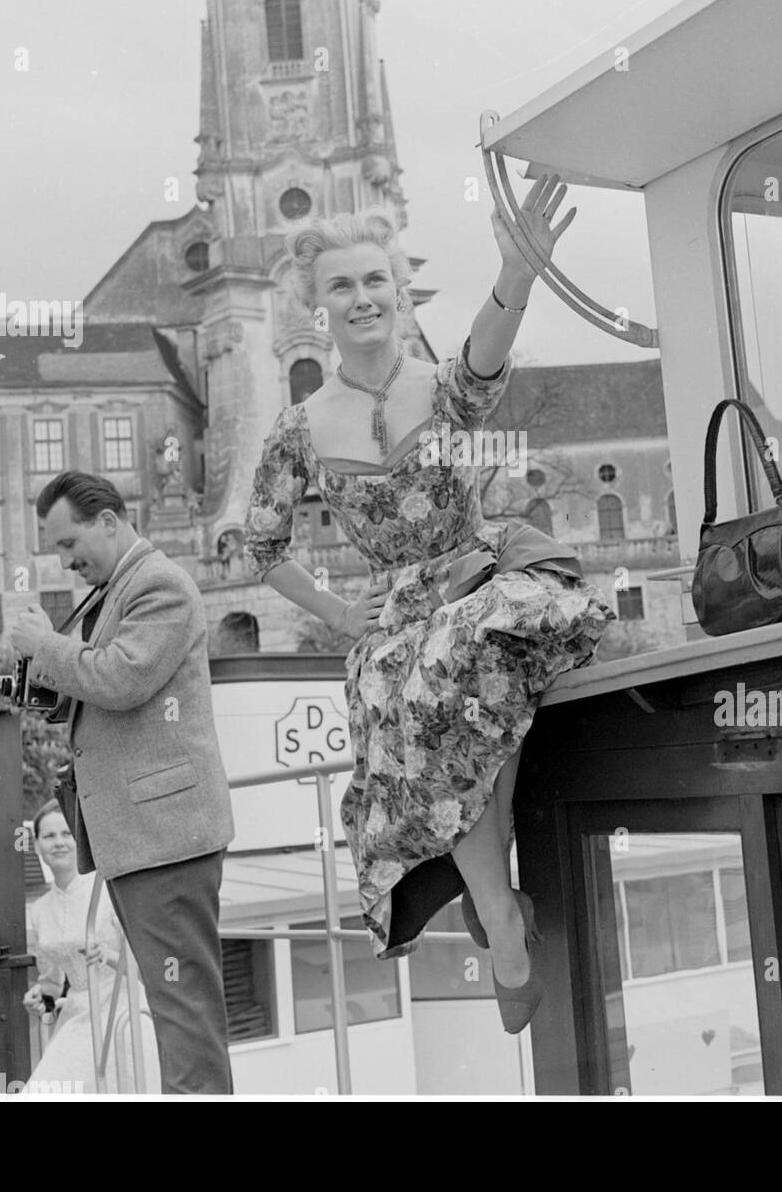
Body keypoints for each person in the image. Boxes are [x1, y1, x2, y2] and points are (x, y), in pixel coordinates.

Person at [244, 179, 614, 1033]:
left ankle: (502, 931)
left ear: (398, 293)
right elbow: (260, 546)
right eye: (342, 285)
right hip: (399, 615)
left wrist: (515, 276)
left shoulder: (442, 388)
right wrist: (340, 616)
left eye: (376, 280)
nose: (363, 297)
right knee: (411, 683)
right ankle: (501, 917)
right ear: (317, 308)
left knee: (458, 660)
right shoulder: (299, 429)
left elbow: (486, 353)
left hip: (481, 576)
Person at [10, 473, 235, 1093]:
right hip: (146, 837)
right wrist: (51, 683)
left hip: (166, 836)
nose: (64, 559)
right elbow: (110, 694)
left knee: (183, 1007)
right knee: (175, 1004)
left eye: (68, 542)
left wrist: (48, 647)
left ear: (108, 520)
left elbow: (124, 678)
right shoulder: (118, 589)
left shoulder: (159, 584)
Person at [23, 799, 161, 1093]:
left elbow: (146, 964)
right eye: (48, 836)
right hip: (77, 1018)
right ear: (37, 846)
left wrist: (109, 956)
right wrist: (39, 997)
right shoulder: (39, 910)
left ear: (80, 842)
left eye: (66, 834)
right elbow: (51, 982)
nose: (58, 843)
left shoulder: (109, 891)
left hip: (122, 1012)